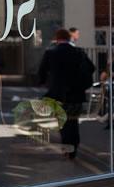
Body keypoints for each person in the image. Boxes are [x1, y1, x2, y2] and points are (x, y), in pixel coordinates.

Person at [38, 27, 96, 158]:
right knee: (74, 122)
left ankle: (67, 147)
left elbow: (42, 72)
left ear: (57, 38)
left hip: (58, 94)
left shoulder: (51, 53)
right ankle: (74, 147)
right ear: (69, 38)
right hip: (76, 94)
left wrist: (44, 82)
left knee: (62, 122)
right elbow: (92, 67)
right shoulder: (78, 52)